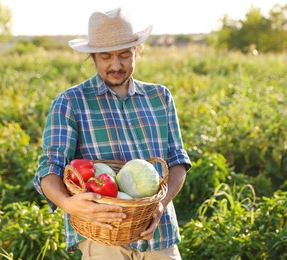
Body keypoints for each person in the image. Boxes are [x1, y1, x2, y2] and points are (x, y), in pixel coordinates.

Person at [33, 7, 192, 260]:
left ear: (136, 52)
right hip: (103, 235)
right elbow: (48, 168)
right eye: (106, 57)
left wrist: (160, 205)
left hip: (158, 233)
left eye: (124, 55)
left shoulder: (160, 97)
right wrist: (68, 204)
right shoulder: (71, 102)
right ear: (93, 57)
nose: (116, 65)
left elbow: (177, 161)